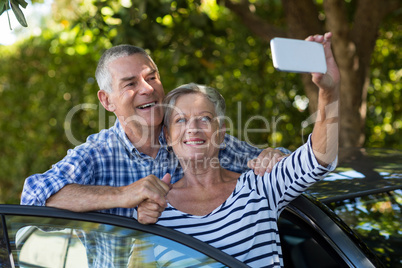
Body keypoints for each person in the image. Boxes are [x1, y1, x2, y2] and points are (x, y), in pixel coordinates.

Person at [134, 32, 340, 267]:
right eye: (180, 120)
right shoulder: (156, 210)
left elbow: (318, 158)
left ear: (221, 133)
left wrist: (330, 91)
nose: (192, 128)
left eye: (204, 118)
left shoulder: (259, 186)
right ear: (168, 137)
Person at [20, 44, 287, 219]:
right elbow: (31, 199)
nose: (147, 89)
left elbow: (286, 167)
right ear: (107, 100)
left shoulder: (194, 137)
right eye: (130, 83)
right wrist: (124, 195)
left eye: (151, 77)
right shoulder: (97, 154)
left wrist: (273, 156)